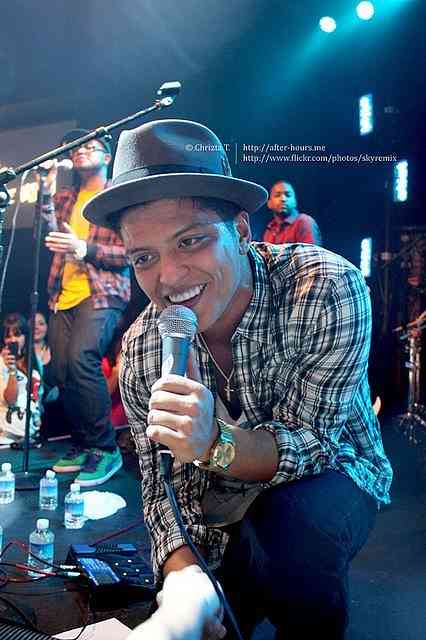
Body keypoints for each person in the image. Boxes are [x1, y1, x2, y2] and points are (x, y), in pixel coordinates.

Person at [83, 119, 393, 639]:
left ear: (243, 231)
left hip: (333, 472)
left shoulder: (325, 287)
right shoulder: (142, 348)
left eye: (191, 241)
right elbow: (165, 491)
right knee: (205, 606)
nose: (169, 277)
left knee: (293, 533)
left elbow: (314, 443)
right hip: (223, 494)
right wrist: (184, 583)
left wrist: (213, 442)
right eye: (144, 257)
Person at [41, 129, 131, 487]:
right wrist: (46, 182)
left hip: (103, 293)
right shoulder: (66, 197)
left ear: (107, 157)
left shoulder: (116, 197)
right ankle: (82, 444)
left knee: (82, 359)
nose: (80, 151)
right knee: (62, 369)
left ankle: (105, 448)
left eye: (90, 147)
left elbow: (129, 253)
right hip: (63, 294)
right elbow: (49, 229)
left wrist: (84, 249)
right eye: (76, 148)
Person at [0, 313, 43, 446]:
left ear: (25, 337)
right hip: (7, 439)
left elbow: (37, 396)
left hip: (31, 438)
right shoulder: (1, 364)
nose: (13, 340)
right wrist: (12, 371)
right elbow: (10, 400)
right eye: (8, 336)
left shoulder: (34, 361)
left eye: (17, 334)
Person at [256, 179, 322, 245]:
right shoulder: (270, 228)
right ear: (269, 204)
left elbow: (310, 251)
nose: (283, 199)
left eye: (288, 195)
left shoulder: (304, 221)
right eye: (277, 195)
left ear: (295, 201)